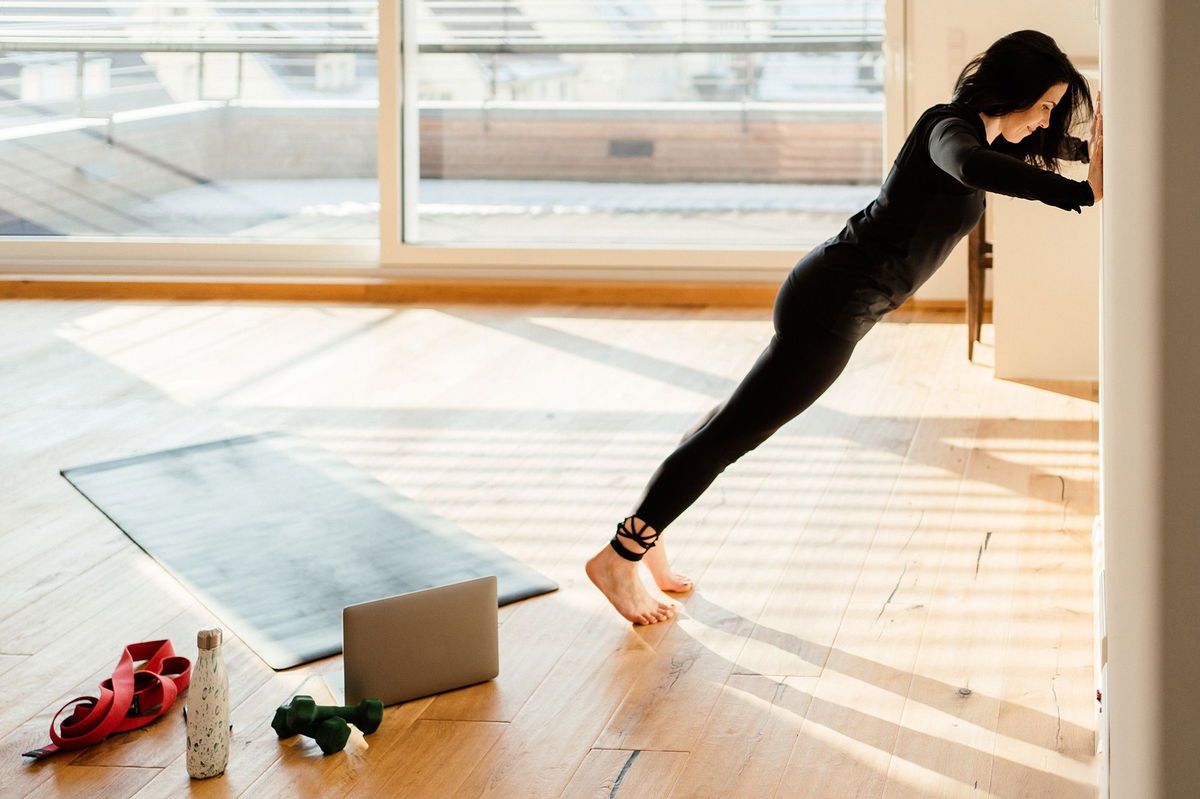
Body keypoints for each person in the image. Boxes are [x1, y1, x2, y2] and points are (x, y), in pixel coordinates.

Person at [586, 29, 1104, 625]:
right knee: (732, 434)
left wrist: (1095, 147)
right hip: (830, 308)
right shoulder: (949, 132)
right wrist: (1081, 193)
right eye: (1043, 106)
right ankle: (620, 557)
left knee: (727, 422)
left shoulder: (983, 133)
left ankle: (650, 529)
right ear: (1012, 91)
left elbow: (1039, 148)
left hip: (830, 295)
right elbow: (969, 164)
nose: (1044, 121)